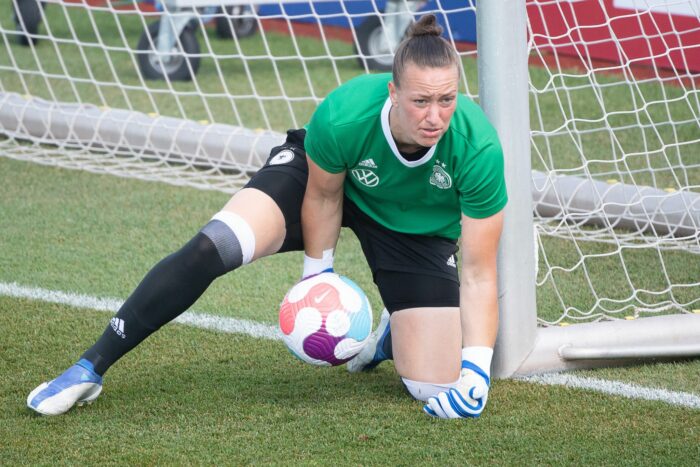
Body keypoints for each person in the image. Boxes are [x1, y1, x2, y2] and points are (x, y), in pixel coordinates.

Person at [27, 14, 506, 420]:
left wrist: (476, 374)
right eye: (421, 101)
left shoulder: (477, 147)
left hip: (411, 227)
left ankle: (388, 336)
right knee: (217, 243)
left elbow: (480, 272)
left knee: (433, 384)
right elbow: (323, 196)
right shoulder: (346, 114)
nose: (435, 116)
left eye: (447, 100)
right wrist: (317, 277)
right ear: (393, 93)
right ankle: (90, 367)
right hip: (325, 181)